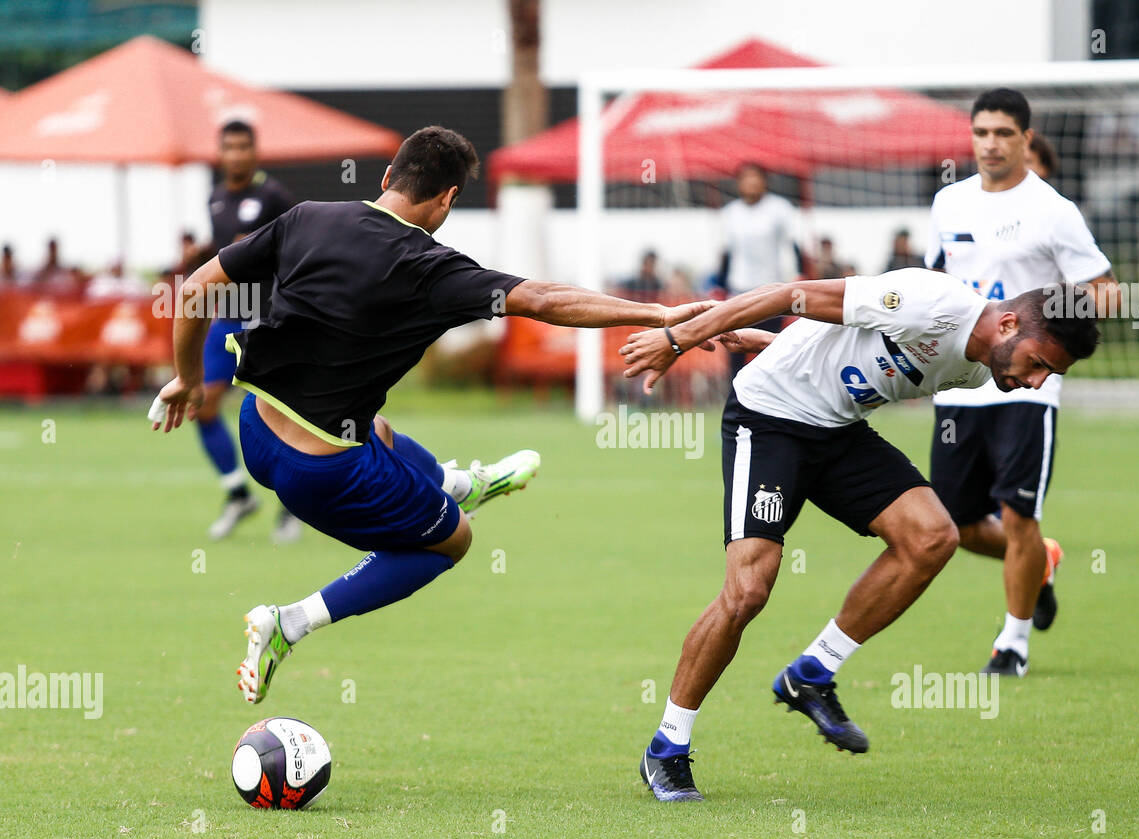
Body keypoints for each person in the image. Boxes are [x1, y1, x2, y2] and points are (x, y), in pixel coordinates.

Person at [151, 125, 711, 706]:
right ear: (446, 199)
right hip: (321, 475)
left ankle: (462, 482)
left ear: (389, 177)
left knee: (376, 429)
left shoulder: (308, 217)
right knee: (453, 540)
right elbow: (545, 301)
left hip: (257, 432)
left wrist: (188, 380)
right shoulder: (433, 269)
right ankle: (289, 622)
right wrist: (658, 314)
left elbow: (194, 289)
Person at [620, 267, 1100, 801]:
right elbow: (790, 294)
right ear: (1009, 322)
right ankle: (667, 745)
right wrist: (675, 338)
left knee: (932, 536)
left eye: (1048, 375)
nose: (1036, 383)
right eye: (1039, 364)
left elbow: (857, 352)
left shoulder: (976, 373)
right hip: (770, 417)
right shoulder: (930, 303)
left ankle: (813, 672)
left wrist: (781, 343)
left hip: (838, 431)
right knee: (748, 591)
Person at [925, 88, 1120, 678]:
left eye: (1003, 133)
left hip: (1027, 390)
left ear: (1026, 139)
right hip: (959, 385)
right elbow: (938, 280)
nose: (990, 143)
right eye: (981, 132)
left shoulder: (1053, 211)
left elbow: (1107, 291)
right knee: (953, 525)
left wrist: (1043, 323)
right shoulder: (947, 204)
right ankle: (1044, 563)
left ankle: (1012, 644)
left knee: (1018, 518)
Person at [200, 120, 300, 543]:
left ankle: (293, 505)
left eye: (244, 147)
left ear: (255, 151)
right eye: (229, 147)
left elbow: (298, 248)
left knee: (277, 415)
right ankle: (237, 494)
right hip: (228, 315)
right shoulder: (216, 197)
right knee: (202, 406)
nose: (236, 154)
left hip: (265, 316)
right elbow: (226, 254)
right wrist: (200, 252)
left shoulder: (274, 196)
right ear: (220, 152)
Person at [717, 162, 803, 377]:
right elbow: (726, 253)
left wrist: (797, 276)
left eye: (756, 178)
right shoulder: (731, 212)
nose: (751, 183)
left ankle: (771, 394)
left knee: (771, 345)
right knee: (734, 343)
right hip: (739, 289)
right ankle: (735, 393)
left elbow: (793, 246)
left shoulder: (779, 208)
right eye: (746, 179)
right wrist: (719, 285)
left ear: (765, 183)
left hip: (771, 289)